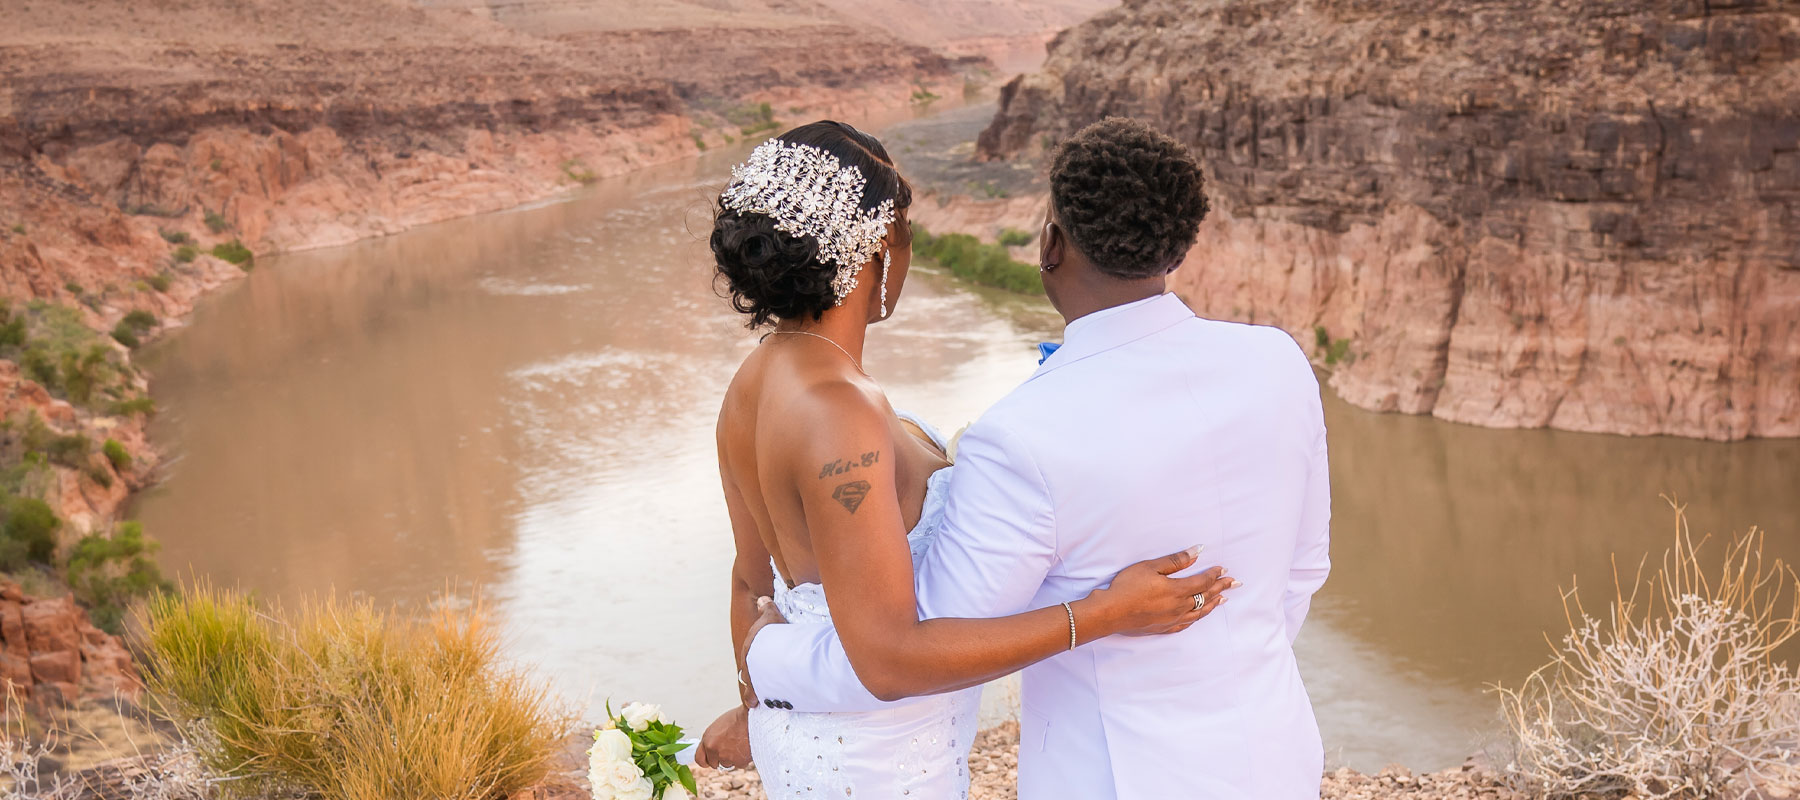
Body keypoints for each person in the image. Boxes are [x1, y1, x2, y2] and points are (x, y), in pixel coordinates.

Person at [731, 117, 1332, 799]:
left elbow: (918, 645)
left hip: (1109, 777)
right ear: (1181, 244)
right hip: (1273, 751)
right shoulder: (1278, 361)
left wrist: (768, 659)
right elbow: (1304, 570)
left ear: (1049, 243)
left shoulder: (1023, 435)